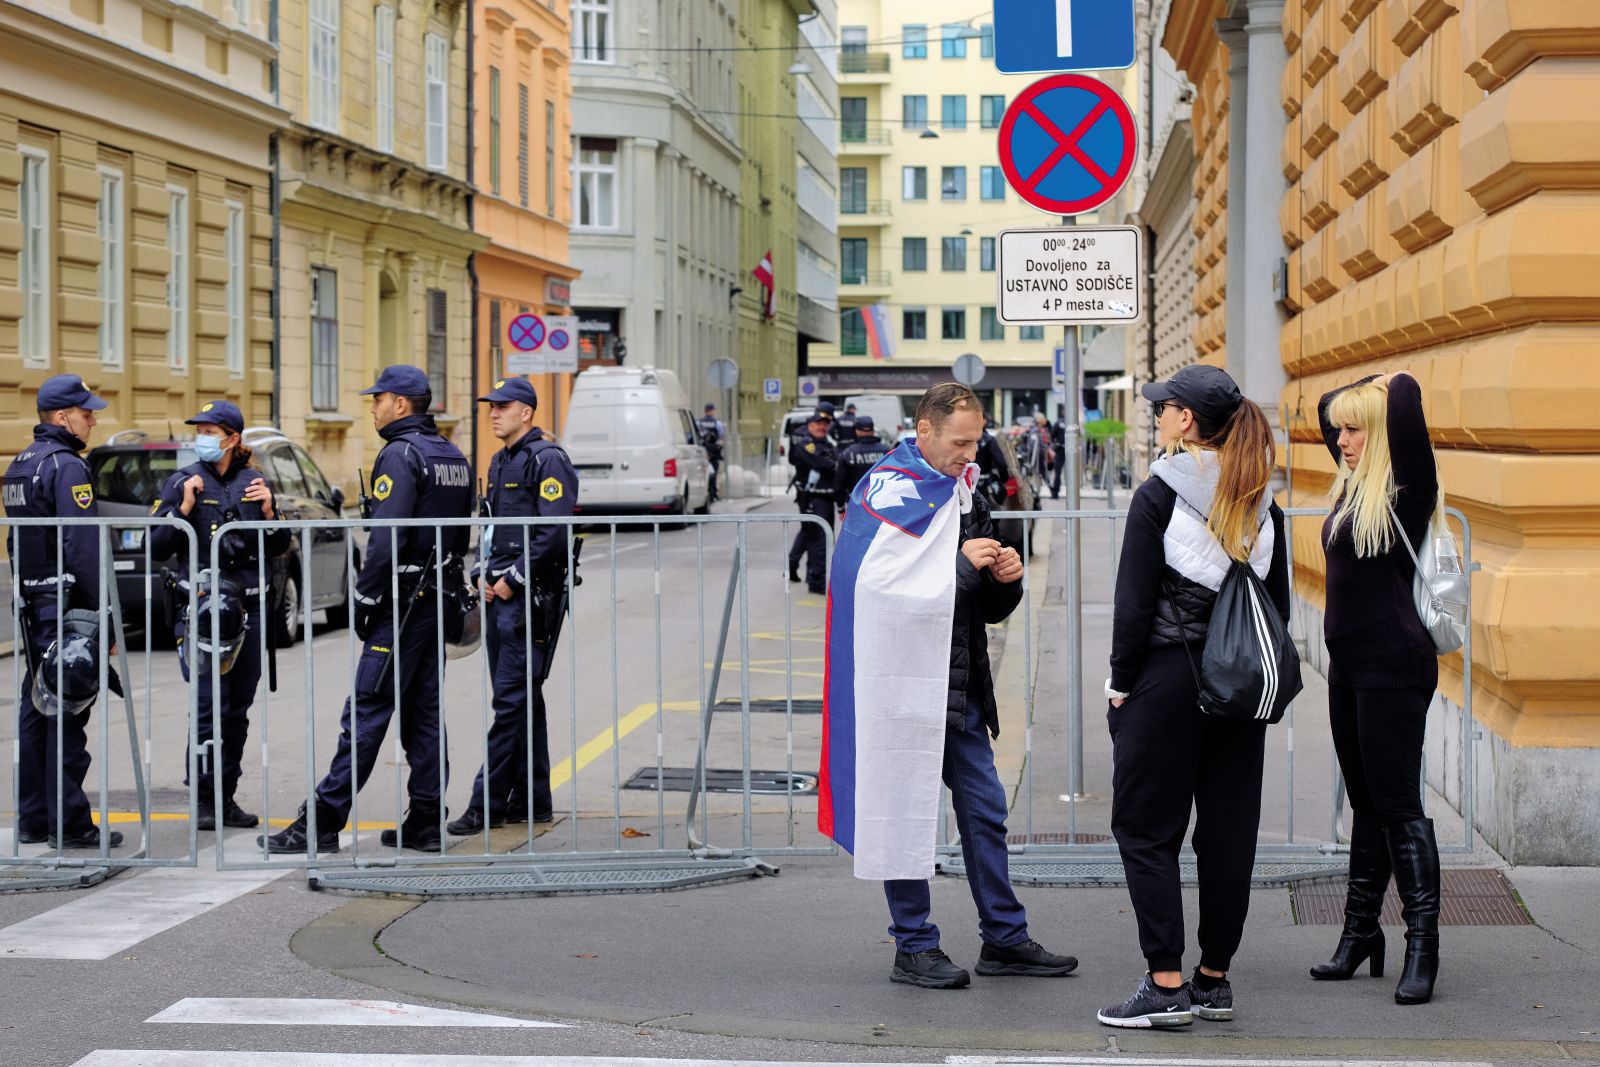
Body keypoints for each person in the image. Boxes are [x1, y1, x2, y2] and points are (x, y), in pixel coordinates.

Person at [821, 382, 1077, 989]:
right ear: (924, 432)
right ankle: (913, 946)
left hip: (956, 686)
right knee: (899, 809)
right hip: (896, 690)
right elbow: (879, 592)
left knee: (985, 811)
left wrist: (1004, 580)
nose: (972, 454)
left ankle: (1005, 940)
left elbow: (978, 607)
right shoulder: (885, 490)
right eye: (960, 442)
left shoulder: (965, 492)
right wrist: (963, 568)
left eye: (976, 441)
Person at [1098, 364, 1288, 1028]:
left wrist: (1120, 685)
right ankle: (1213, 979)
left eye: (1163, 406)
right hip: (1238, 684)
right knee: (1229, 832)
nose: (1155, 414)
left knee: (1146, 827)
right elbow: (1279, 609)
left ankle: (1164, 980)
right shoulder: (1266, 503)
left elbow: (1132, 605)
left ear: (1185, 420)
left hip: (1168, 678)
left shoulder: (1159, 494)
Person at [260, 366, 473, 854]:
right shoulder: (451, 455)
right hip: (437, 594)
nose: (372, 407)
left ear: (401, 404)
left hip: (402, 601)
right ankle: (424, 820)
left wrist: (366, 596)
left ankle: (321, 821)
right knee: (423, 712)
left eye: (378, 399)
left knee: (366, 710)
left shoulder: (401, 454)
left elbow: (385, 537)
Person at [1311, 371, 1442, 1005]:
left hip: (1395, 667)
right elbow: (1320, 410)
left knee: (1397, 806)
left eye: (1354, 429)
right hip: (1349, 669)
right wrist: (1352, 397)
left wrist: (1389, 381)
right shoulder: (1350, 489)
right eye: (1340, 430)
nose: (1340, 439)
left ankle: (1423, 948)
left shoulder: (1404, 492)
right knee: (1364, 802)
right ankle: (1360, 934)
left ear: (1382, 433)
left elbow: (1408, 399)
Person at [149, 401, 290, 831]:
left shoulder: (254, 482)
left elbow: (279, 546)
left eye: (211, 430)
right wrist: (183, 510)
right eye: (200, 430)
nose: (203, 437)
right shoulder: (182, 481)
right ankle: (205, 797)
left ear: (232, 438)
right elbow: (155, 547)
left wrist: (270, 513)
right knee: (210, 704)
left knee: (238, 709)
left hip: (247, 611)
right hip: (201, 614)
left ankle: (226, 795)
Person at [448, 378, 578, 836]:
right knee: (523, 701)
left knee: (511, 703)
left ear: (527, 412)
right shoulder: (502, 460)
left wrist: (512, 579)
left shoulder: (548, 459)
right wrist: (482, 569)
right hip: (500, 596)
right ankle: (531, 799)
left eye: (503, 406)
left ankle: (486, 804)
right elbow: (491, 526)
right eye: (491, 406)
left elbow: (553, 532)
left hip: (530, 598)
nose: (493, 413)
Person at [2, 375, 121, 850]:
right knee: (67, 716)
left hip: (34, 604)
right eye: (85, 412)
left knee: (39, 711)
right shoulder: (66, 466)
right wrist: (103, 614)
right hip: (66, 607)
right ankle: (70, 825)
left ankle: (33, 817)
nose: (92, 419)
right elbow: (82, 545)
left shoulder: (20, 463)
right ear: (60, 417)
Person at [786, 410, 836, 595]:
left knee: (811, 534)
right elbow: (822, 464)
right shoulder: (806, 444)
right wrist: (831, 463)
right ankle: (817, 582)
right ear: (810, 425)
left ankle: (797, 567)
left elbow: (834, 462)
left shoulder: (827, 444)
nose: (822, 427)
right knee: (818, 541)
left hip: (826, 498)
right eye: (818, 423)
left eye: (825, 424)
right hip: (812, 498)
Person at [833, 415, 891, 510]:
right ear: (872, 430)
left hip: (857, 503)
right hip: (883, 503)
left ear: (857, 431)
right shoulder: (886, 451)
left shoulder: (848, 453)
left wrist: (840, 507)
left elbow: (839, 484)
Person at [696, 403, 725, 505]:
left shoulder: (698, 422)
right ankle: (712, 494)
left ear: (705, 410)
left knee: (702, 475)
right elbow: (721, 439)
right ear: (712, 411)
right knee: (713, 474)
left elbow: (694, 437)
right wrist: (715, 451)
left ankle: (707, 494)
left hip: (701, 453)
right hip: (713, 454)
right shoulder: (717, 423)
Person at [1049, 407, 1067, 499]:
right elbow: (1052, 436)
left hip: (1066, 451)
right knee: (1058, 473)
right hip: (1061, 451)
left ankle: (1056, 493)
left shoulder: (1059, 423)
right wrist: (1054, 446)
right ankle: (1055, 492)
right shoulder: (1059, 422)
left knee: (1061, 473)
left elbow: (1051, 436)